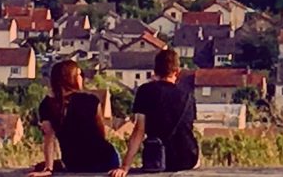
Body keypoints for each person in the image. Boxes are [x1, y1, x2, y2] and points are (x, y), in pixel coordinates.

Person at [111, 49, 199, 177]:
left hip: (157, 159)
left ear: (155, 70)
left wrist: (125, 166)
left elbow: (139, 131)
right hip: (187, 159)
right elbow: (188, 128)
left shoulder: (145, 91)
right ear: (177, 72)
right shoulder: (188, 95)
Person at [28, 60, 120, 176]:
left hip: (74, 162)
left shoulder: (47, 104)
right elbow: (101, 133)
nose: (82, 78)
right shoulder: (90, 100)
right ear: (72, 78)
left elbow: (49, 138)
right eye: (79, 74)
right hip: (104, 160)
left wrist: (48, 168)